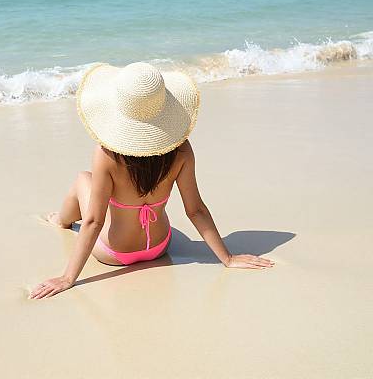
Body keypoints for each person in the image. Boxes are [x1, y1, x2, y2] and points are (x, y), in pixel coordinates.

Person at [29, 62, 274, 299]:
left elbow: (93, 221)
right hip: (159, 246)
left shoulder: (107, 155)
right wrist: (227, 259)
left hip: (115, 254)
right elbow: (196, 210)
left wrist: (67, 278)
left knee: (84, 179)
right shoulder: (181, 150)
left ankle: (61, 220)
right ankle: (62, 220)